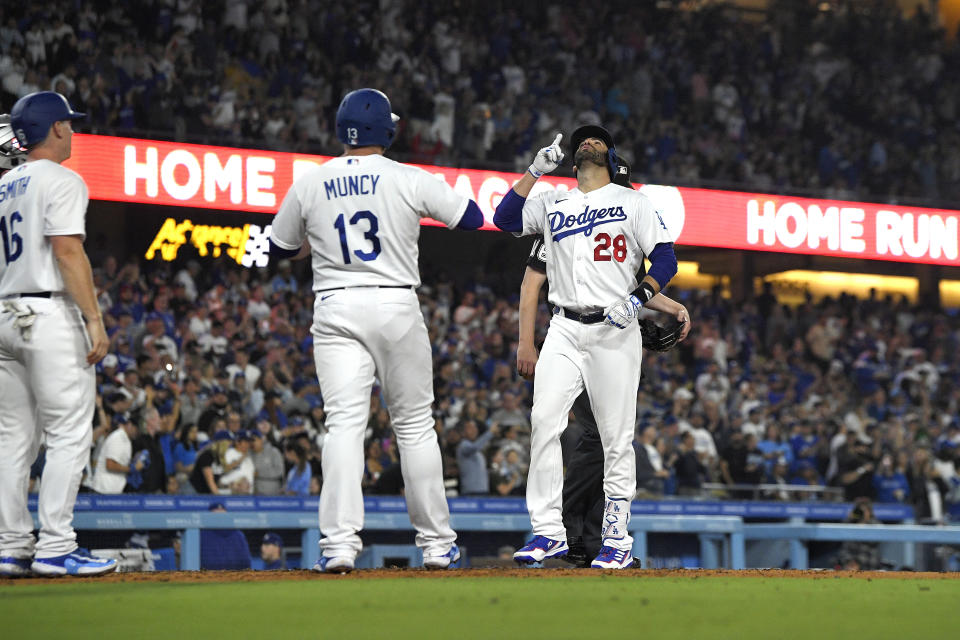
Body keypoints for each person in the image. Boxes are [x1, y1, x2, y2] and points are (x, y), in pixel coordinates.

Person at [269, 88, 484, 573]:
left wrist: (314, 244)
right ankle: (435, 545)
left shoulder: (312, 181)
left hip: (336, 305)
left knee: (343, 425)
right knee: (412, 426)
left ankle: (339, 546)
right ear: (386, 130)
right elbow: (471, 219)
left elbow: (281, 246)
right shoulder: (407, 177)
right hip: (394, 302)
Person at [494, 126, 677, 569]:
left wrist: (638, 300)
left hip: (614, 329)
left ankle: (616, 536)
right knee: (543, 422)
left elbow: (666, 259)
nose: (589, 142)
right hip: (563, 327)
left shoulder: (634, 203)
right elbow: (503, 219)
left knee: (616, 437)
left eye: (598, 140)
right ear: (574, 160)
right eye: (584, 141)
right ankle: (548, 531)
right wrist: (534, 171)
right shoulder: (554, 201)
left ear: (611, 157)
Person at [0, 94, 117, 577]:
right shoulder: (63, 178)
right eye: (69, 124)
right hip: (47, 313)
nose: (73, 131)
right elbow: (68, 251)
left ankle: (10, 546)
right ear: (56, 129)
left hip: (5, 311)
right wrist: (93, 318)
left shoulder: (4, 183)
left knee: (12, 439)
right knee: (69, 433)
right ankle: (55, 547)